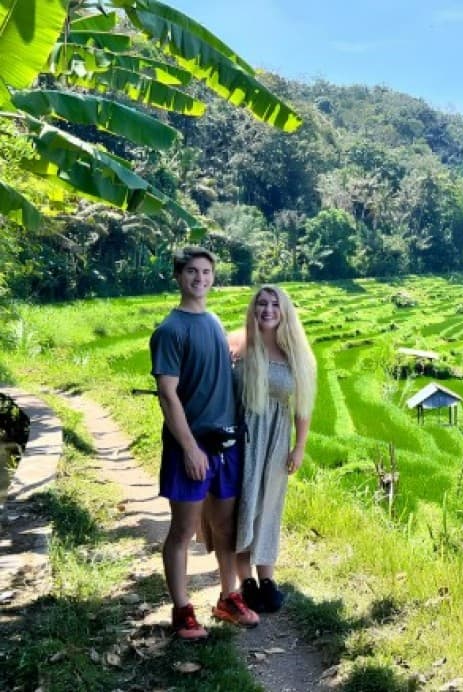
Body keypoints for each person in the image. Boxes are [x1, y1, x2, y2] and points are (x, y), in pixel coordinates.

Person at [150, 246, 260, 640]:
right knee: (183, 531)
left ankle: (228, 597)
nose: (200, 278)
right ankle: (182, 611)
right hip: (191, 448)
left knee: (225, 527)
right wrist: (189, 449)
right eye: (192, 272)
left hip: (225, 446)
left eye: (206, 272)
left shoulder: (213, 321)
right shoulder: (170, 330)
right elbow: (167, 395)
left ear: (213, 277)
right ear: (178, 276)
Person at [232, 285, 316, 612]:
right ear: (253, 309)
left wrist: (299, 447)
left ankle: (267, 579)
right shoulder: (239, 346)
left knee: (269, 505)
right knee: (245, 504)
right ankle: (246, 581)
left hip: (277, 439)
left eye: (274, 304)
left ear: (284, 312)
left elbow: (302, 408)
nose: (267, 310)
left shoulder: (295, 354)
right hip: (243, 437)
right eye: (262, 303)